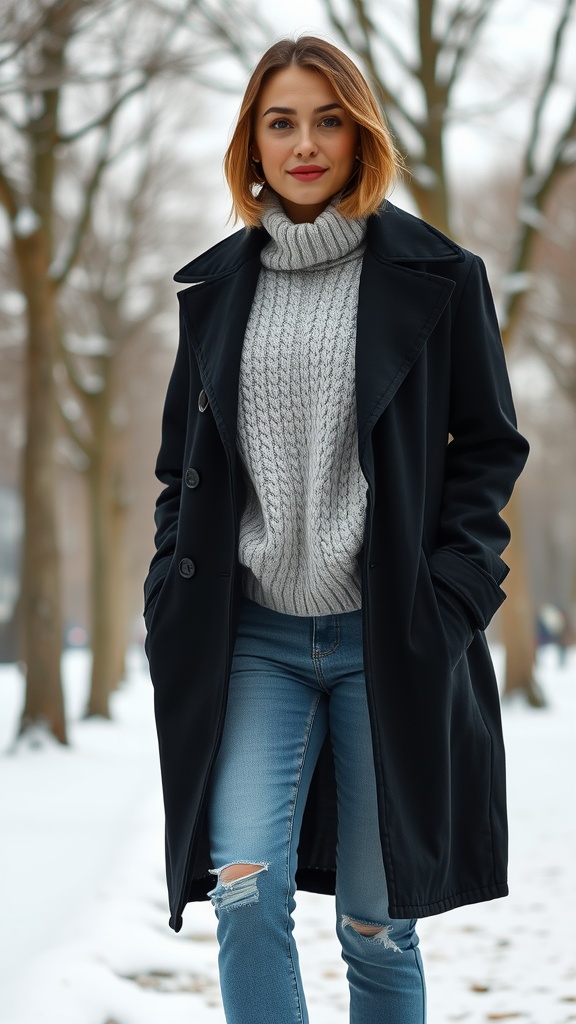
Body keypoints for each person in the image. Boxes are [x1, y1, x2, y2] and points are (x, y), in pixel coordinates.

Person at [144, 35, 529, 1024]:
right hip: (254, 643)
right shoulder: (215, 293)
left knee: (375, 916)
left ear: (358, 135)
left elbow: (488, 450)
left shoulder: (440, 278)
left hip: (388, 641)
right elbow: (178, 472)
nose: (304, 142)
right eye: (282, 122)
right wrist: (166, 591)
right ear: (253, 143)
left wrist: (449, 600)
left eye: (326, 119)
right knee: (242, 887)